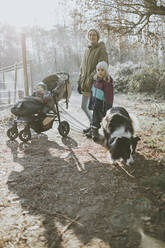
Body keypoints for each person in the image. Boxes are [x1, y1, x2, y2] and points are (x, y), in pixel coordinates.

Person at [77, 28, 109, 134]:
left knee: (96, 109)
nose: (92, 36)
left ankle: (96, 129)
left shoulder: (101, 48)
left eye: (94, 35)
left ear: (98, 37)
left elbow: (102, 66)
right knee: (83, 106)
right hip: (86, 83)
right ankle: (93, 125)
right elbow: (82, 67)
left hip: (96, 84)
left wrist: (92, 78)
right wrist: (79, 80)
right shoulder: (87, 49)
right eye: (90, 35)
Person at [86, 61, 114, 141]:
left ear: (106, 71)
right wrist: (91, 103)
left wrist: (108, 107)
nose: (100, 72)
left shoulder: (107, 83)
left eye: (102, 70)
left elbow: (109, 96)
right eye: (98, 70)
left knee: (105, 119)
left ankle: (109, 134)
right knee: (95, 118)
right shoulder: (96, 81)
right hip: (96, 104)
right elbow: (92, 92)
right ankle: (94, 131)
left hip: (103, 105)